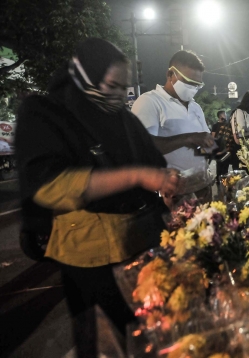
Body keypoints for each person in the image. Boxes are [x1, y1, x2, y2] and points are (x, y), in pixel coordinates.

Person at [15, 38, 180, 358]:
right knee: (106, 341)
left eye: (124, 87)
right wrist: (136, 176)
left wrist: (165, 182)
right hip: (88, 258)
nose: (118, 95)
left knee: (152, 333)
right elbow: (51, 185)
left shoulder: (122, 118)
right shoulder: (45, 113)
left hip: (141, 243)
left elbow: (150, 161)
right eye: (112, 85)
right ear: (85, 76)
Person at [132, 50, 215, 204]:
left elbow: (203, 143)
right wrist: (188, 138)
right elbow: (144, 146)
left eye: (197, 84)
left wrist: (212, 146)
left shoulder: (195, 107)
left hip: (202, 186)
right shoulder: (149, 102)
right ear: (170, 74)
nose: (193, 88)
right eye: (189, 82)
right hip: (173, 193)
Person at [211, 110, 231, 183]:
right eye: (224, 114)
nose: (226, 116)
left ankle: (224, 182)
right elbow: (213, 137)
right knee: (219, 166)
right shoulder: (215, 125)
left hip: (226, 148)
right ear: (220, 116)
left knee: (225, 166)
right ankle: (219, 181)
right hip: (218, 148)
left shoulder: (228, 125)